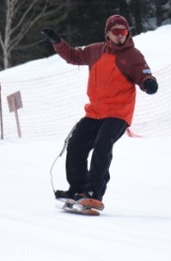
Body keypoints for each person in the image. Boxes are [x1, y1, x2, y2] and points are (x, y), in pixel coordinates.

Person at [42, 14, 158, 211]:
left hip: (118, 113)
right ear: (108, 33)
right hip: (95, 112)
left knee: (102, 145)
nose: (120, 35)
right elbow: (73, 56)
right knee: (76, 144)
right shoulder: (95, 51)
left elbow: (144, 74)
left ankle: (94, 193)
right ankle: (78, 190)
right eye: (116, 32)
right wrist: (57, 41)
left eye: (123, 31)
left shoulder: (133, 56)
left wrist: (149, 83)